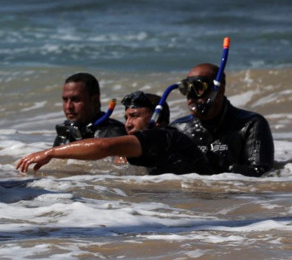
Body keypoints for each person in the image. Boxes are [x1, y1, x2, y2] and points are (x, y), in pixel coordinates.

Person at [17, 91, 212, 175]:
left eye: (135, 116)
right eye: (126, 117)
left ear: (157, 119)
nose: (128, 124)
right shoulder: (156, 143)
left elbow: (104, 146)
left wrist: (50, 153)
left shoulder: (163, 135)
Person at [170, 63, 274, 176]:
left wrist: (215, 171)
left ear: (220, 90)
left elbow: (261, 173)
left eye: (199, 88)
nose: (190, 99)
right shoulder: (178, 128)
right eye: (186, 90)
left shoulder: (250, 124)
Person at [53, 72, 125, 146]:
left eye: (76, 100)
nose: (68, 106)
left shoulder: (114, 134)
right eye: (65, 100)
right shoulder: (66, 134)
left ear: (95, 101)